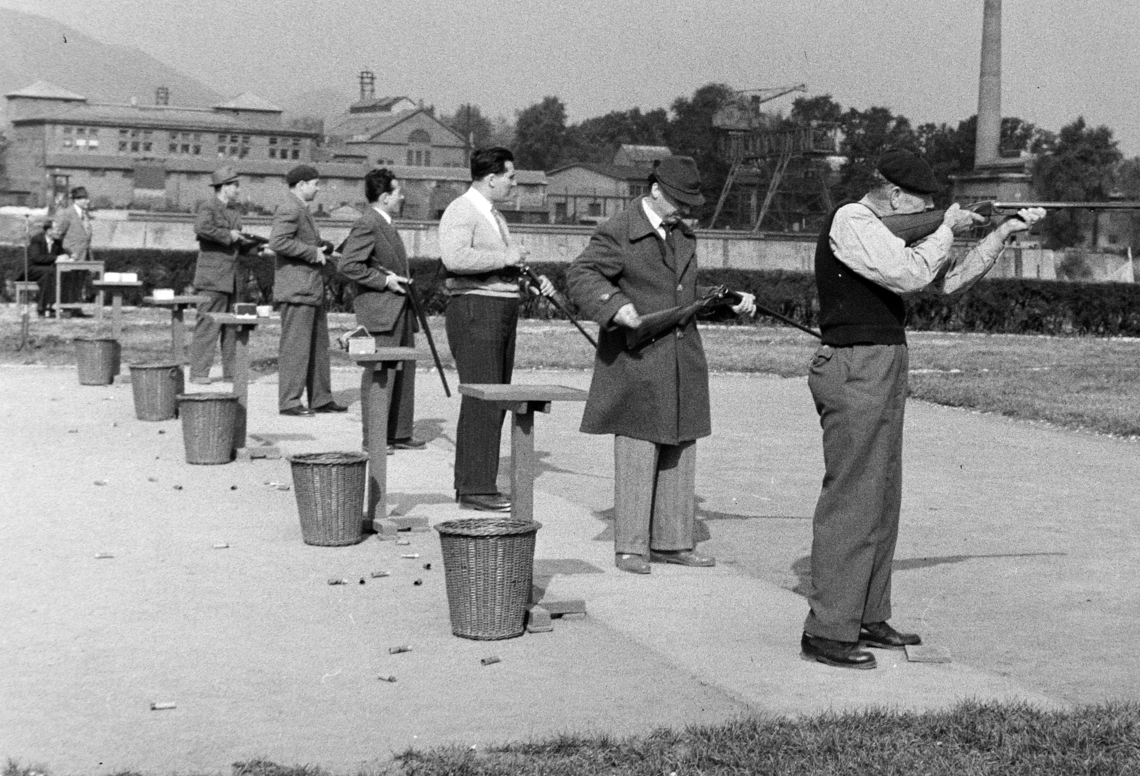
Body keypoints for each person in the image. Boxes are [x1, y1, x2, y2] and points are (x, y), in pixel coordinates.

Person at [801, 149, 1043, 669]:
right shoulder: (852, 220)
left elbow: (949, 282)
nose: (929, 212)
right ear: (893, 195)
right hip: (854, 363)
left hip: (882, 362)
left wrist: (1000, 234)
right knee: (853, 498)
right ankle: (827, 630)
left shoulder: (889, 228)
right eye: (922, 204)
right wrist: (946, 226)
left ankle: (866, 614)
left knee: (882, 495)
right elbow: (909, 275)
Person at [564, 156, 755, 575]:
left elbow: (680, 292)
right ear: (653, 190)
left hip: (681, 358)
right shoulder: (618, 229)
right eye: (678, 200)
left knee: (680, 443)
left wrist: (725, 301)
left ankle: (671, 541)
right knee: (638, 443)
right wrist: (615, 307)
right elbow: (580, 275)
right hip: (637, 358)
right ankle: (631, 546)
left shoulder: (682, 234)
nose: (684, 209)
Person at [438, 147, 554, 511]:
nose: (514, 184)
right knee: (484, 399)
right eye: (511, 177)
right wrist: (504, 258)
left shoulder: (494, 215)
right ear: (491, 178)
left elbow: (499, 265)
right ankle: (476, 488)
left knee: (496, 399)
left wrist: (530, 281)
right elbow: (454, 258)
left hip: (499, 308)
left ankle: (476, 483)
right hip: (476, 310)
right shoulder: (461, 210)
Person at [337, 167, 420, 451]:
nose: (402, 197)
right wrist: (385, 281)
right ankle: (374, 438)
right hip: (381, 311)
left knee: (403, 371)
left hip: (399, 309)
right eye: (398, 192)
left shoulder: (382, 221)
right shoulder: (368, 223)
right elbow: (348, 265)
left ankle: (397, 433)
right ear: (385, 197)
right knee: (380, 372)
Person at [270, 164, 342, 416]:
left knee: (319, 347)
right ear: (301, 185)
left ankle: (320, 398)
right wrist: (313, 252)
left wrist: (323, 247)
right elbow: (278, 241)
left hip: (310, 288)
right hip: (298, 289)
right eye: (316, 184)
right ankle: (289, 401)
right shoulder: (290, 206)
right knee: (296, 347)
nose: (319, 188)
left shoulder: (301, 208)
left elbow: (299, 240)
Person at [190, 166, 260, 385]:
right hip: (213, 279)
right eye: (235, 185)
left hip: (233, 280)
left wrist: (256, 246)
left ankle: (232, 373)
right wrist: (228, 235)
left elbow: (236, 244)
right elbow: (201, 229)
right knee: (208, 325)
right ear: (224, 187)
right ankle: (199, 373)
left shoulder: (234, 212)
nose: (238, 190)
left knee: (232, 327)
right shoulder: (208, 207)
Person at [52, 187, 93, 313]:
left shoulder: (85, 215)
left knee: (79, 283)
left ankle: (76, 308)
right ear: (76, 200)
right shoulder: (67, 213)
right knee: (68, 282)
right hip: (71, 256)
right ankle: (66, 308)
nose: (88, 201)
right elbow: (57, 235)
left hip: (84, 254)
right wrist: (68, 252)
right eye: (85, 198)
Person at [24, 218, 59, 317]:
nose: (59, 231)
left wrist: (71, 256)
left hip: (45, 272)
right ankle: (48, 306)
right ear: (49, 231)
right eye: (57, 229)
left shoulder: (57, 242)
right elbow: (36, 258)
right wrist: (56, 258)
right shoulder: (37, 239)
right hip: (31, 269)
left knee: (48, 276)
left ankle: (42, 307)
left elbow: (63, 253)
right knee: (51, 272)